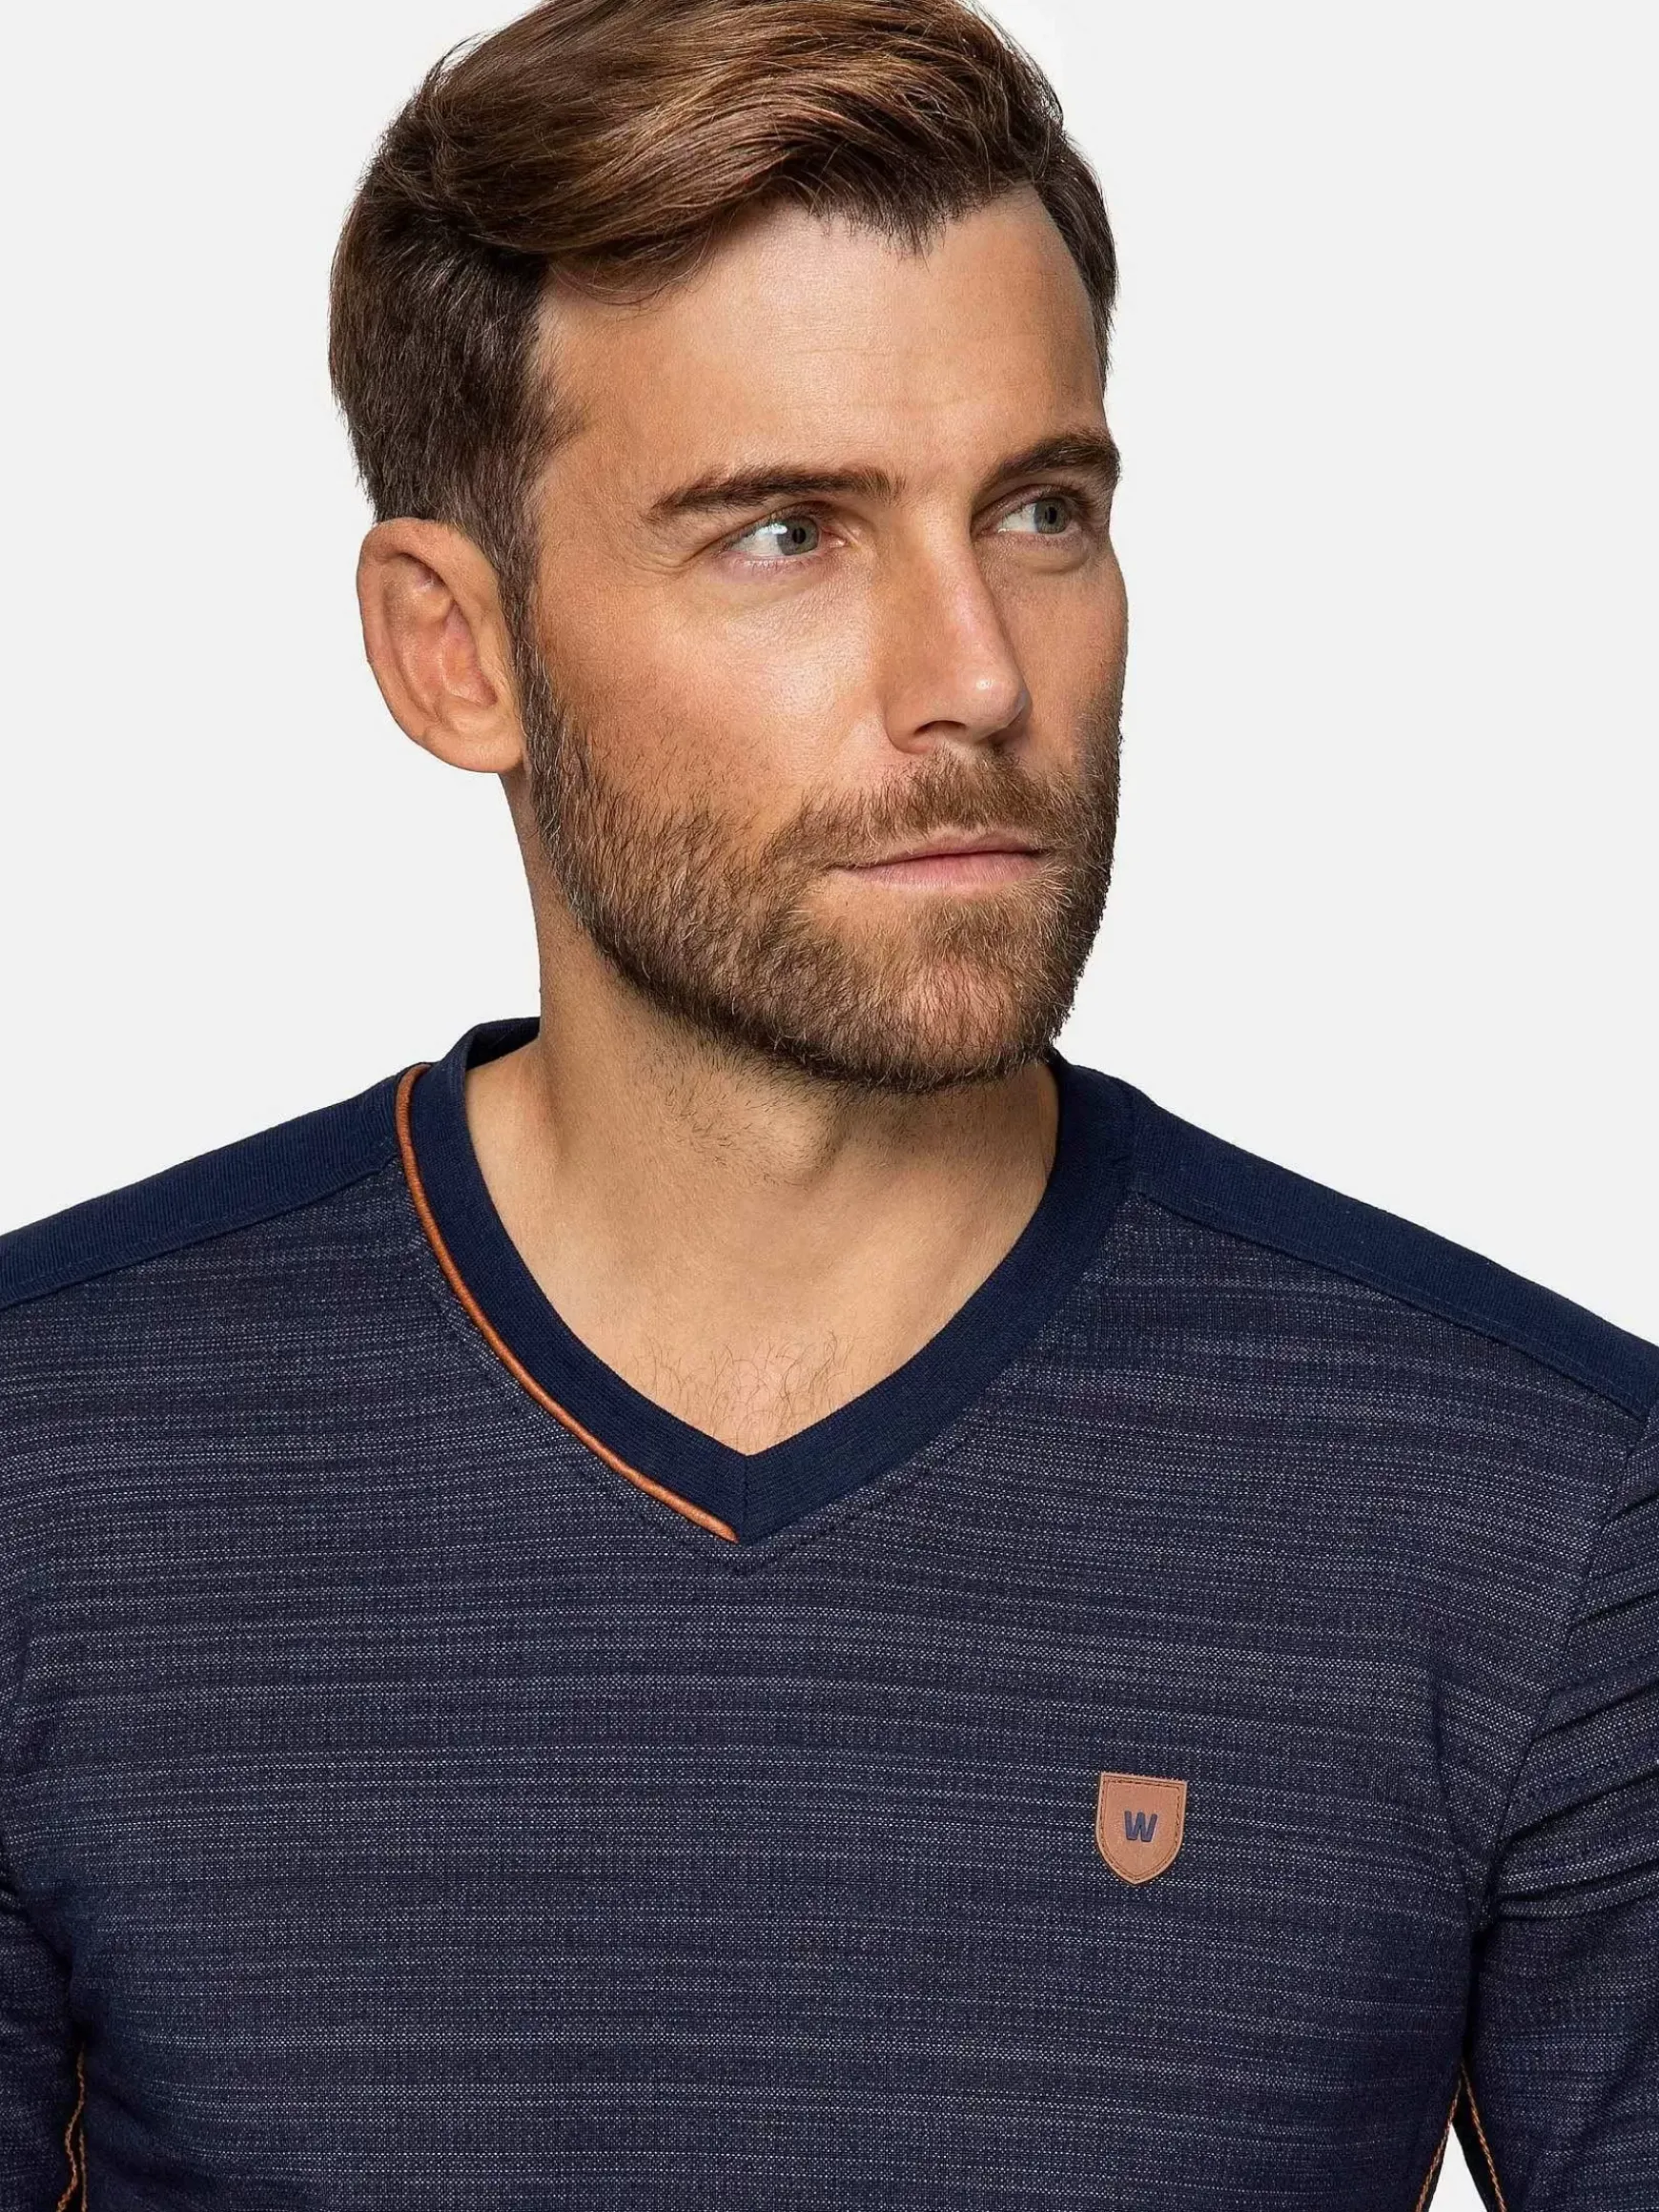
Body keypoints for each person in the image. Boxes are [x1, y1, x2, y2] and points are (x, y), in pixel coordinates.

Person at [2, 0, 1653, 2202]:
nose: (978, 674)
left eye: (1041, 510)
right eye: (786, 531)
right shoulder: (48, 1471)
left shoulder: (1540, 1504)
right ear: (454, 651)